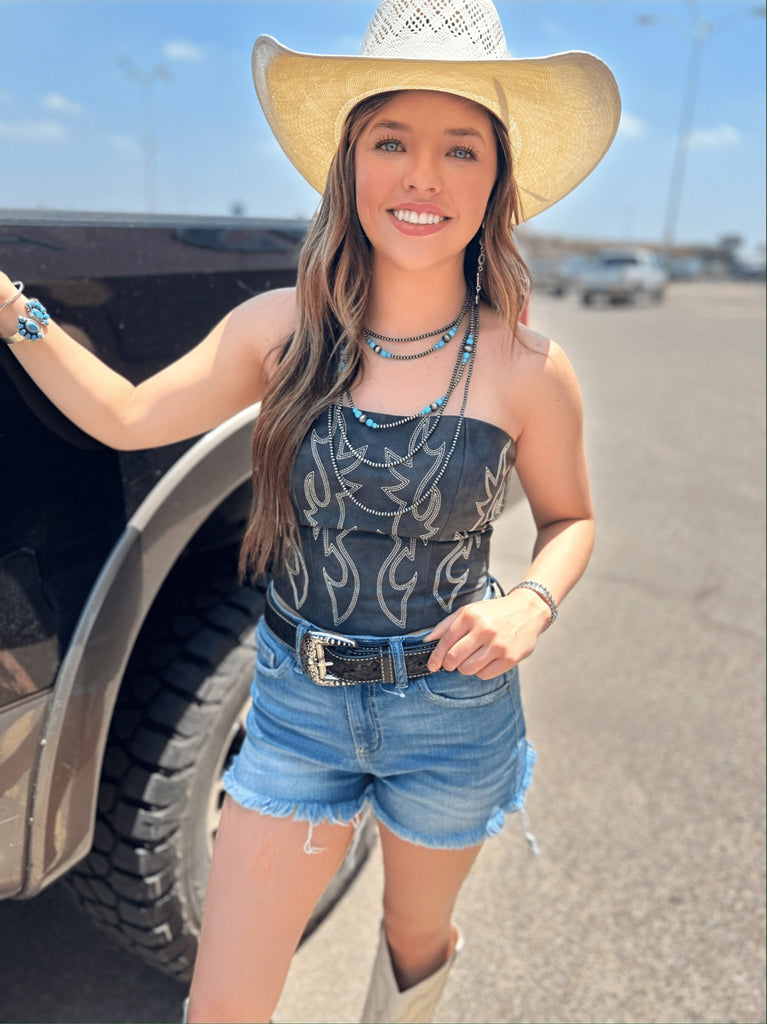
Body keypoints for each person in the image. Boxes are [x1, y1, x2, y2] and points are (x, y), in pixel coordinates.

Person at [0, 1, 620, 1020]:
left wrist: (532, 602)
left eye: (460, 149)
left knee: (412, 940)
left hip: (452, 716)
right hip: (295, 714)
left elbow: (570, 520)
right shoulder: (278, 330)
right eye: (392, 141)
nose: (422, 176)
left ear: (494, 184)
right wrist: (12, 309)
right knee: (223, 1005)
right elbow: (126, 416)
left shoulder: (528, 367)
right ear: (351, 163)